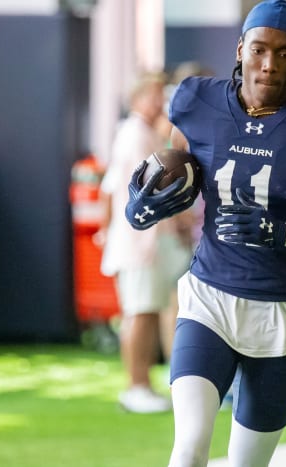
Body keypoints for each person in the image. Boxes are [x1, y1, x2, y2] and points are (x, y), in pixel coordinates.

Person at [123, 1, 286, 465]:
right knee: (189, 448)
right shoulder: (196, 100)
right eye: (260, 49)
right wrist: (147, 202)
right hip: (209, 299)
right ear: (240, 49)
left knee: (247, 462)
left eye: (285, 53)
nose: (269, 63)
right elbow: (177, 166)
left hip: (281, 312)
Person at [98, 72, 188, 413]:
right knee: (139, 313)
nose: (158, 101)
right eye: (152, 94)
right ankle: (135, 386)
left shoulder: (145, 133)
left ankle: (143, 385)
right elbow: (150, 187)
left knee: (148, 312)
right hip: (140, 243)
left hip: (149, 241)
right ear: (136, 98)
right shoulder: (135, 134)